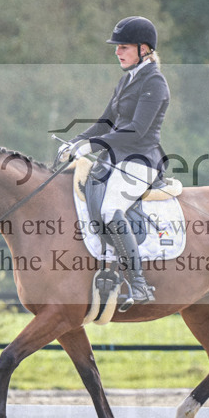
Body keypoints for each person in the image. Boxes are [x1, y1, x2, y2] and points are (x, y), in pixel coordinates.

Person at [56, 16, 169, 310]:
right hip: (114, 160)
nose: (118, 52)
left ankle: (139, 284)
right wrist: (76, 141)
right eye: (117, 47)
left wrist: (93, 145)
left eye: (125, 47)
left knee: (110, 208)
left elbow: (137, 129)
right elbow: (106, 122)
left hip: (141, 160)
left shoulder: (154, 82)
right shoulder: (126, 80)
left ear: (145, 49)